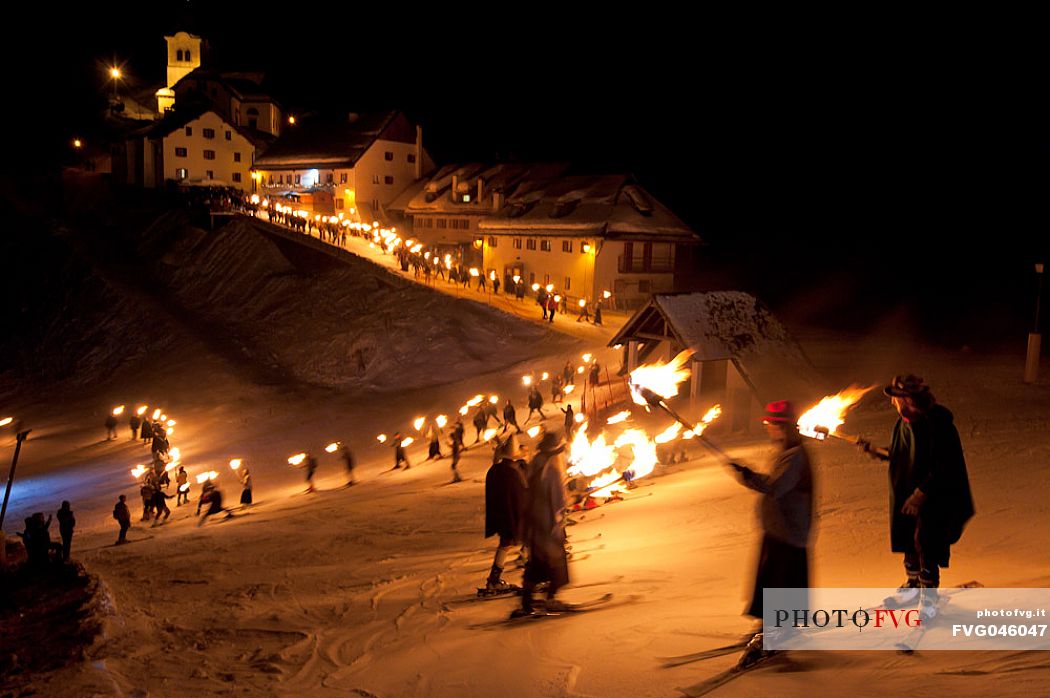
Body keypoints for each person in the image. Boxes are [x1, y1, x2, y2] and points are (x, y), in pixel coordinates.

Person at [859, 375, 975, 617]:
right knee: (908, 537)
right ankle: (913, 586)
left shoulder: (937, 424)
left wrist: (920, 495)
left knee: (927, 541)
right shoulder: (903, 422)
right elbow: (903, 453)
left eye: (896, 398)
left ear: (908, 399)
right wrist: (876, 451)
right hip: (906, 491)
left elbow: (944, 465)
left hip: (933, 497)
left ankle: (929, 596)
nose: (892, 403)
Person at [728, 400, 814, 667]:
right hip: (778, 530)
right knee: (768, 581)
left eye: (771, 425)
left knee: (781, 582)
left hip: (789, 532)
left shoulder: (795, 455)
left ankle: (777, 637)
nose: (768, 430)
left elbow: (776, 486)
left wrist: (748, 476)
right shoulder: (788, 451)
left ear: (783, 427)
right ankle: (767, 627)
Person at [515, 431, 572, 616]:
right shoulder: (551, 470)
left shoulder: (536, 463)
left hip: (533, 521)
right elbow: (557, 498)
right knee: (555, 560)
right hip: (546, 522)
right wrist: (561, 513)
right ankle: (550, 598)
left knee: (537, 561)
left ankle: (527, 600)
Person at [483, 435, 528, 593]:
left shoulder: (494, 470)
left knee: (505, 545)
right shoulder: (512, 473)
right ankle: (533, 579)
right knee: (529, 541)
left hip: (499, 515)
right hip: (512, 515)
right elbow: (520, 496)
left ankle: (494, 580)